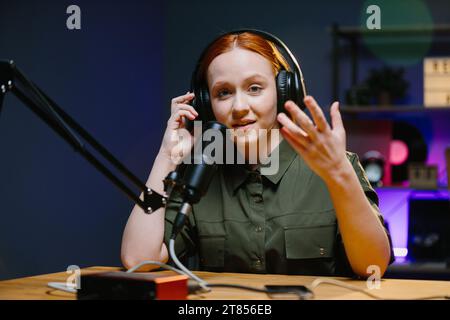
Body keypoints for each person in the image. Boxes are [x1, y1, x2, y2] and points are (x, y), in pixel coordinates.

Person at [121, 30, 394, 278]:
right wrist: (166, 156)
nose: (239, 107)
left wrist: (340, 176)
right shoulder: (199, 173)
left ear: (284, 91)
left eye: (254, 88)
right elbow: (139, 260)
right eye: (224, 93)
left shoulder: (334, 164)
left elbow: (373, 265)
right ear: (207, 105)